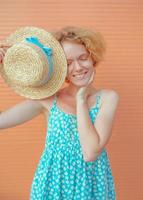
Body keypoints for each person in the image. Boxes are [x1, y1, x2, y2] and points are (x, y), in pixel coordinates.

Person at [0, 26, 119, 199]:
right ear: (61, 68)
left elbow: (90, 152)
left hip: (92, 184)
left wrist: (81, 100)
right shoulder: (48, 100)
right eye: (69, 63)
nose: (78, 67)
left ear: (93, 58)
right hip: (52, 184)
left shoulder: (107, 98)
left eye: (83, 58)